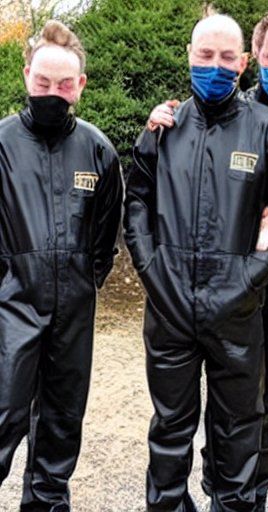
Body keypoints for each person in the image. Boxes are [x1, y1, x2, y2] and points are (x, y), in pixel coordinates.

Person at [147, 12, 268, 509]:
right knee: (230, 399)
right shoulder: (236, 109)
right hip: (231, 280)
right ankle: (219, 485)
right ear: (254, 60)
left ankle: (252, 494)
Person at [0, 20, 123, 511]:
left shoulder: (98, 150)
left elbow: (105, 238)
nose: (53, 93)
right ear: (27, 76)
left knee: (62, 421)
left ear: (81, 85)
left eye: (64, 84)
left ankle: (47, 504)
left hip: (74, 309)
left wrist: (82, 283)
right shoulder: (2, 143)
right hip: (11, 303)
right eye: (43, 82)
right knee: (3, 413)